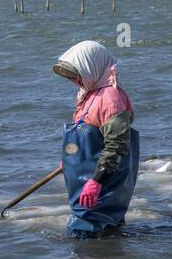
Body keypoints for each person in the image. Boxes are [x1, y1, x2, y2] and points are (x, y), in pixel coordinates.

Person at [52, 40, 139, 233]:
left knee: (89, 232)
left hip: (102, 180)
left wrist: (97, 181)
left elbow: (116, 145)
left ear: (92, 67)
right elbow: (80, 135)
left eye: (77, 74)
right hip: (84, 178)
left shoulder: (110, 98)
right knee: (102, 234)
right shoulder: (87, 95)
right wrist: (68, 159)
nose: (74, 80)